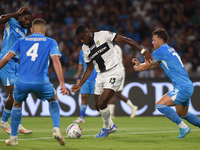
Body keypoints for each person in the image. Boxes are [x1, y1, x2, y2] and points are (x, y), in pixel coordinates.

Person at [71, 24, 152, 138]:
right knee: (97, 105)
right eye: (80, 39)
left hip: (114, 71)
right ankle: (110, 125)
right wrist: (80, 84)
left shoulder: (103, 35)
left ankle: (107, 127)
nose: (82, 41)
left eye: (82, 38)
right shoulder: (85, 48)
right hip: (100, 75)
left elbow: (126, 40)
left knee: (102, 102)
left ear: (88, 33)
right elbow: (89, 68)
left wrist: (143, 51)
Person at [0, 18, 69, 146]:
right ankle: (56, 130)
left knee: (16, 104)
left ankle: (13, 139)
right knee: (53, 98)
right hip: (40, 81)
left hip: (21, 82)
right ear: (44, 30)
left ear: (31, 30)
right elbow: (56, 61)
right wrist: (62, 83)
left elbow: (7, 58)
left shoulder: (21, 41)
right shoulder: (51, 41)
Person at [132, 28, 200, 138]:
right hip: (187, 85)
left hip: (182, 87)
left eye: (154, 40)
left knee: (160, 105)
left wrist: (137, 67)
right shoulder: (170, 49)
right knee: (182, 113)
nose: (152, 42)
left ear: (161, 41)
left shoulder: (159, 51)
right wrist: (141, 65)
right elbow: (156, 65)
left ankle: (183, 127)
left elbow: (147, 65)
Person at [0, 6, 33, 135]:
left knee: (21, 94)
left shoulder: (24, 31)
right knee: (16, 93)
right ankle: (4, 121)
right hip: (5, 61)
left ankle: (17, 123)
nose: (27, 21)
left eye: (29, 19)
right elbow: (1, 19)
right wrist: (16, 13)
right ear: (19, 17)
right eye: (25, 18)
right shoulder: (12, 22)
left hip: (16, 64)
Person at [108, 44, 138, 119]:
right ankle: (133, 107)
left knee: (114, 92)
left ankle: (111, 114)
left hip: (117, 72)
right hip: (117, 71)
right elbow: (125, 58)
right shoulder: (118, 47)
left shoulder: (110, 49)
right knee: (116, 93)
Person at [73, 49, 97, 123]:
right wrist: (78, 77)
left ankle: (105, 116)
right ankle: (82, 117)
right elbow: (80, 65)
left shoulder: (97, 49)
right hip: (85, 78)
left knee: (99, 98)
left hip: (97, 78)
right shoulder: (81, 52)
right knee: (83, 96)